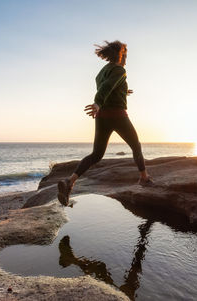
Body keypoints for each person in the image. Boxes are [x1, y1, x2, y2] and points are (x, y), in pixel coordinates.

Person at [58, 40, 153, 206]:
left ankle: (70, 181)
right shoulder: (119, 69)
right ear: (121, 54)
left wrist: (123, 90)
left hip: (102, 117)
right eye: (126, 55)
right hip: (117, 115)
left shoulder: (102, 71)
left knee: (97, 154)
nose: (126, 59)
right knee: (136, 146)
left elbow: (109, 86)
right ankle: (144, 178)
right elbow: (107, 88)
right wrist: (97, 102)